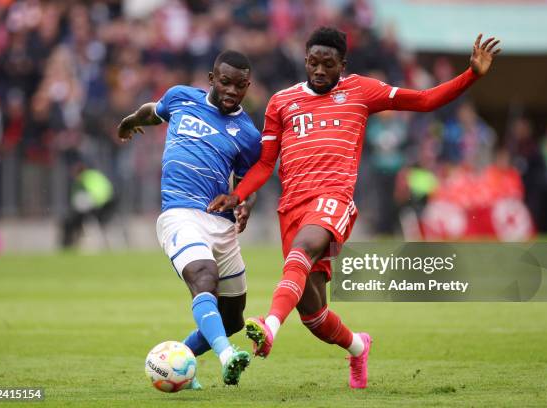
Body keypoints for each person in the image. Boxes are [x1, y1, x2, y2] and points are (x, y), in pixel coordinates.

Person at [208, 27, 501, 389]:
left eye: (327, 64)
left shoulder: (362, 91)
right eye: (313, 62)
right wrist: (237, 196)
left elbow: (424, 100)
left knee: (301, 253)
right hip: (292, 208)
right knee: (313, 314)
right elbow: (267, 164)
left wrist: (471, 74)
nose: (318, 70)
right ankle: (358, 346)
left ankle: (268, 328)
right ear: (305, 61)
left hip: (334, 200)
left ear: (342, 65)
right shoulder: (281, 102)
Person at [117, 50, 261, 387]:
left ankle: (176, 359)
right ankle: (228, 357)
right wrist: (130, 121)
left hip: (220, 222)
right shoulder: (181, 97)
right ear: (212, 79)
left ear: (248, 87)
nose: (231, 91)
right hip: (180, 213)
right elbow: (153, 112)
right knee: (203, 275)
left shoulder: (248, 134)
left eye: (239, 86)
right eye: (225, 82)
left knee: (232, 319)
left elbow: (248, 183)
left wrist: (246, 204)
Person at [61, 160, 117, 248]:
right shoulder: (93, 174)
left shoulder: (84, 178)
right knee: (102, 224)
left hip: (100, 203)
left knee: (77, 219)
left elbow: (89, 194)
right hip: (110, 200)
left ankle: (73, 241)